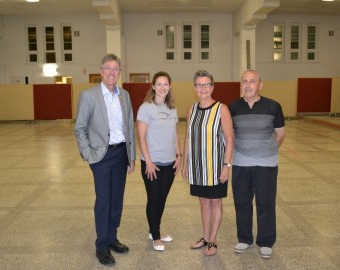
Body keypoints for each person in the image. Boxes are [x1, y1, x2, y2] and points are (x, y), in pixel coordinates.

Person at [74, 53, 136, 266]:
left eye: (116, 69)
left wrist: (132, 155)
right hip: (101, 156)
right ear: (101, 71)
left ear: (120, 72)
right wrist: (88, 154)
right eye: (108, 68)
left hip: (121, 154)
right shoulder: (89, 96)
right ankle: (101, 246)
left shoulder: (124, 96)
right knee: (104, 200)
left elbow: (129, 126)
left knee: (117, 199)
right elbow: (79, 128)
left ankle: (112, 238)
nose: (112, 72)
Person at [229, 69, 285, 259]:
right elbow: (230, 135)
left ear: (260, 85)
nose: (247, 85)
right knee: (242, 202)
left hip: (266, 164)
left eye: (252, 81)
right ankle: (244, 239)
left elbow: (280, 134)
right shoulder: (233, 107)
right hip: (241, 164)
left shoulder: (273, 106)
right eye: (244, 81)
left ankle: (266, 241)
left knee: (266, 203)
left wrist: (265, 151)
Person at [182, 70, 234, 256]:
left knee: (215, 202)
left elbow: (230, 140)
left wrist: (226, 166)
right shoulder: (191, 110)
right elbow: (188, 137)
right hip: (197, 167)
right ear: (195, 87)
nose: (203, 88)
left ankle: (213, 240)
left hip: (216, 167)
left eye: (206, 84)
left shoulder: (222, 109)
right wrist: (185, 163)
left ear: (212, 87)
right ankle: (205, 237)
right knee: (203, 202)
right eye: (199, 85)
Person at [136, 71, 181, 252]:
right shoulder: (145, 108)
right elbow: (141, 136)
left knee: (161, 200)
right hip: (152, 163)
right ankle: (156, 237)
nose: (163, 87)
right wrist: (148, 162)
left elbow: (175, 134)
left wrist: (179, 156)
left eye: (166, 84)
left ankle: (154, 230)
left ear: (169, 87)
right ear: (153, 87)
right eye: (159, 84)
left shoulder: (172, 109)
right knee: (154, 199)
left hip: (169, 163)